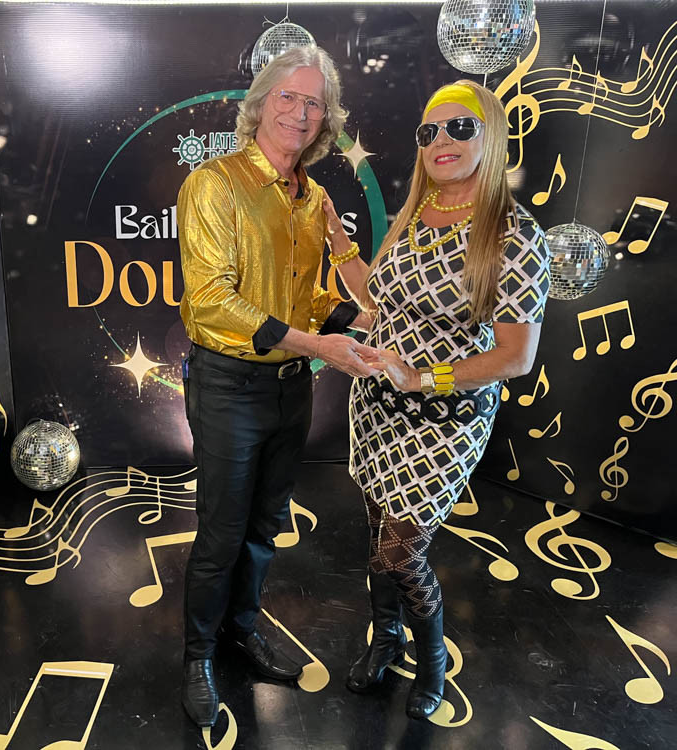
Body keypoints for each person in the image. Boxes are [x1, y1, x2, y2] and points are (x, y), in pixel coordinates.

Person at [324, 80, 551, 719]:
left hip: (446, 418)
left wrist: (423, 378)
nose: (441, 141)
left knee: (400, 551)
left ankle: (430, 663)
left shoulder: (513, 235)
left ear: (491, 136)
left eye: (460, 127)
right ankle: (385, 638)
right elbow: (379, 302)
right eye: (429, 132)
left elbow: (516, 357)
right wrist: (338, 242)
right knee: (377, 534)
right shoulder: (414, 214)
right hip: (377, 405)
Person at [176, 45, 380, 728]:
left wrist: (364, 323)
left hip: (292, 389)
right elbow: (212, 302)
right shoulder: (214, 183)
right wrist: (319, 346)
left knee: (264, 528)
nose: (299, 111)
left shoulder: (314, 198)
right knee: (222, 533)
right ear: (261, 104)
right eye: (287, 96)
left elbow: (308, 300)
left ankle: (241, 629)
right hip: (229, 386)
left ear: (326, 119)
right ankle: (198, 656)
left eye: (313, 102)